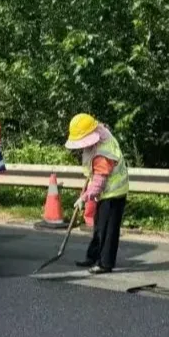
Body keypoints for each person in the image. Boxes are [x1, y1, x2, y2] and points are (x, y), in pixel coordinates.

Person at [66, 113, 129, 274]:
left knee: (107, 231)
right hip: (107, 193)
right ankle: (92, 257)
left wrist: (84, 197)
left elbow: (99, 183)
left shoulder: (103, 153)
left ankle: (105, 263)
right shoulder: (100, 131)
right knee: (98, 226)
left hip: (113, 194)